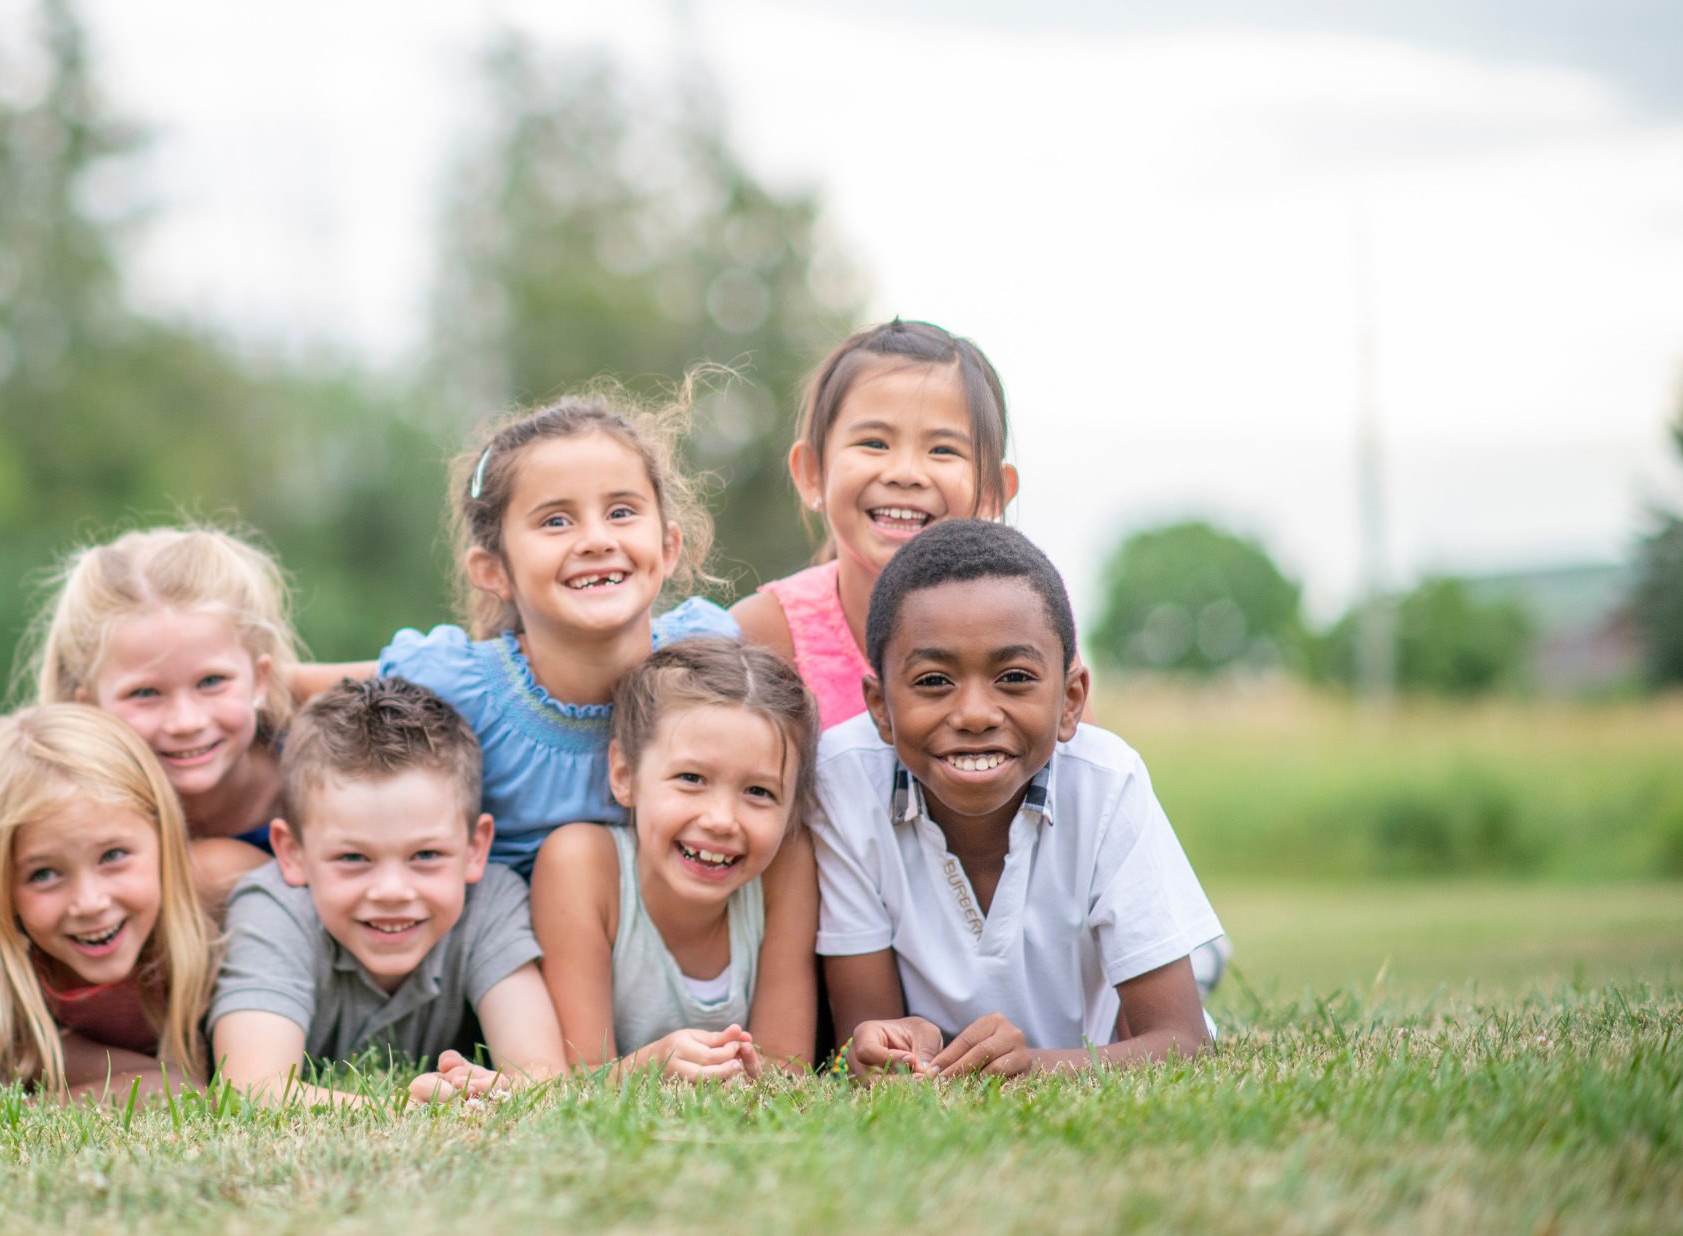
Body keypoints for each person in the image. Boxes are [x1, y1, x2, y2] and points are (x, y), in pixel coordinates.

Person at [812, 519, 1222, 1079]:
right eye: (934, 680)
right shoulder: (842, 778)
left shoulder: (1107, 782)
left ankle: (1203, 957)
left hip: (1093, 1046)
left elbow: (1183, 1043)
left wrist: (1032, 1066)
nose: (976, 714)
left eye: (1014, 677)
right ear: (880, 706)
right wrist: (884, 1048)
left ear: (1071, 699)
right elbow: (863, 1033)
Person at [307, 389, 737, 878]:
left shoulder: (708, 652)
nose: (597, 540)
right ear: (495, 571)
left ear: (668, 545)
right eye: (556, 521)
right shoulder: (458, 685)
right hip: (503, 940)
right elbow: (287, 688)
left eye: (621, 512)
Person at [0, 524, 303, 939]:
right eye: (145, 692)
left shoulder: (321, 763)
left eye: (212, 681)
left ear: (260, 678)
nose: (186, 721)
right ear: (88, 707)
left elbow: (375, 678)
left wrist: (301, 685)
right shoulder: (79, 799)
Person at [207, 677, 567, 1106]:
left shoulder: (491, 902)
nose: (392, 891)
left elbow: (544, 1080)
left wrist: (493, 1093)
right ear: (292, 853)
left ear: (475, 849)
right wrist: (402, 1110)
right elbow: (248, 1089)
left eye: (426, 855)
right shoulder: (274, 909)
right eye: (353, 858)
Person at [531, 639, 821, 1081]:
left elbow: (788, 1067)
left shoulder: (787, 867)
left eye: (759, 792)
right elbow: (575, 1076)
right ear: (625, 776)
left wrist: (746, 1071)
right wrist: (651, 1066)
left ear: (792, 811)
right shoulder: (583, 866)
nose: (722, 820)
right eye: (691, 778)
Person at [732, 318, 1015, 734]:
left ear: (992, 491)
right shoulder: (763, 636)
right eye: (874, 444)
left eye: (942, 449)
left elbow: (1091, 786)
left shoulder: (1027, 629)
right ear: (812, 472)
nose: (905, 473)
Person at [0, 704, 216, 1100]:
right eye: (44, 874)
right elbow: (168, 1089)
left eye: (113, 856)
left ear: (163, 835)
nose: (90, 903)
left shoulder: (221, 888)